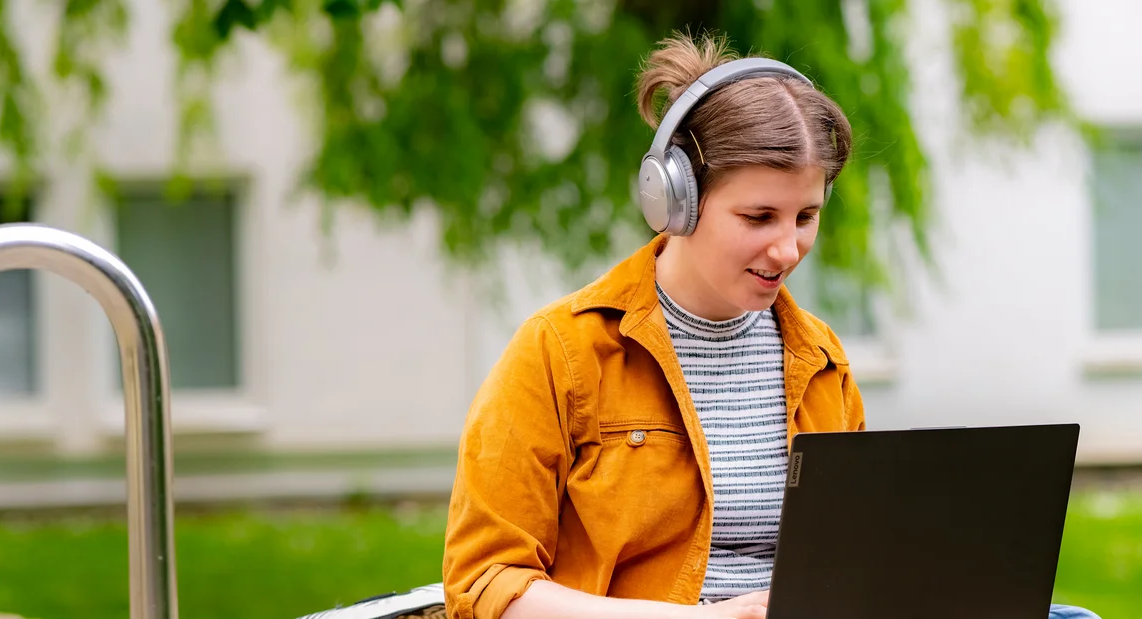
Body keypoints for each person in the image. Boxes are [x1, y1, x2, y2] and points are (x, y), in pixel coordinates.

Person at [438, 33, 1101, 619]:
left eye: (805, 216)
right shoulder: (560, 351)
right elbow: (485, 581)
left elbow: (856, 558)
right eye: (759, 218)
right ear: (676, 200)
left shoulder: (819, 358)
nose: (788, 249)